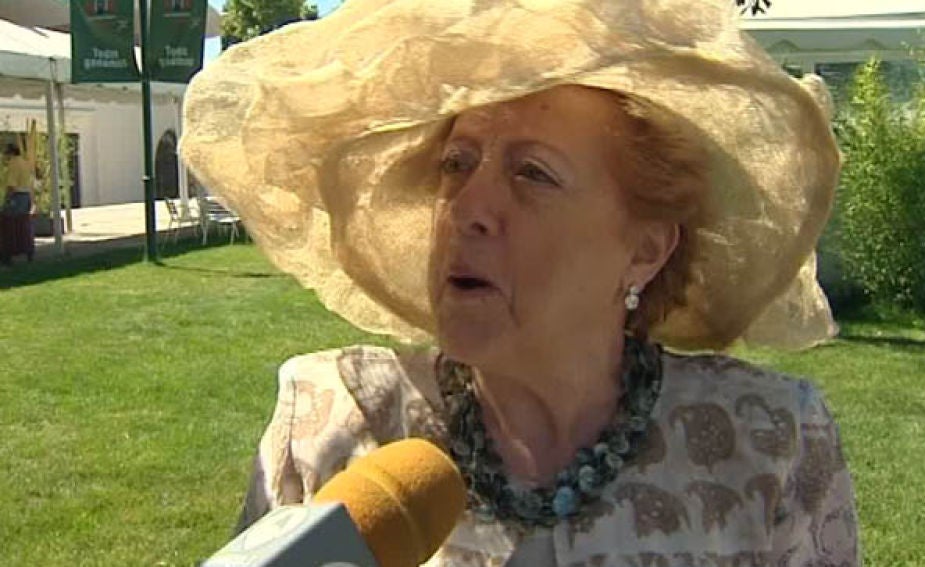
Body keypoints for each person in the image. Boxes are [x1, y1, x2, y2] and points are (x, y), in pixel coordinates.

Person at [180, 0, 859, 564]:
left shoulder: (767, 444)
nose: (466, 207)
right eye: (457, 161)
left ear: (645, 250)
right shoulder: (331, 424)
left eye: (533, 172)